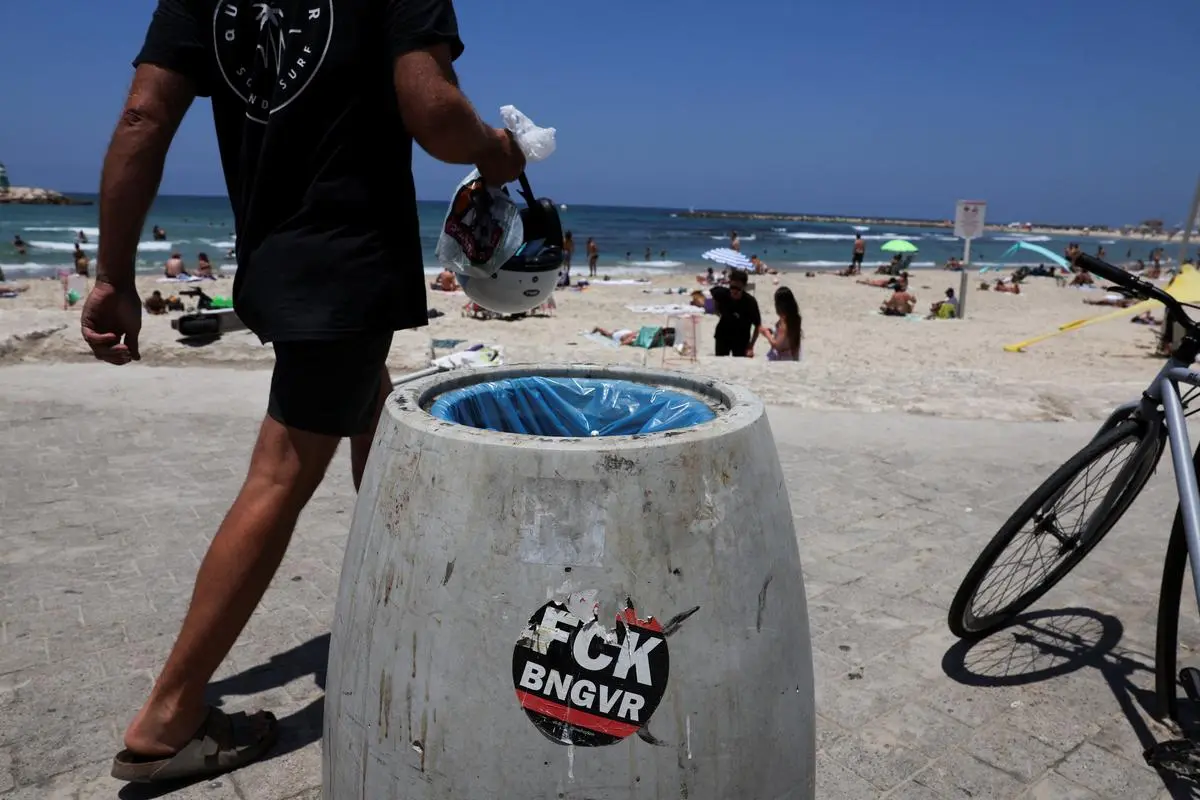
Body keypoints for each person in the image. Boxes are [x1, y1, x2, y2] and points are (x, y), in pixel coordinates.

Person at [81, 0, 526, 784]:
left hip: (275, 262)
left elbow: (142, 118)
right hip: (348, 263)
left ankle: (407, 603)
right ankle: (169, 717)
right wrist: (498, 152)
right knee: (280, 474)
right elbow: (433, 109)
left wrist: (113, 273)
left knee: (375, 419)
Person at [710, 269, 761, 356]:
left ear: (744, 287)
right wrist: (717, 310)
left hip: (741, 339)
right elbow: (714, 294)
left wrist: (751, 346)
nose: (734, 291)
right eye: (732, 287)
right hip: (723, 335)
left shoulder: (750, 302)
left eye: (738, 288)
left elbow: (757, 325)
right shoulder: (722, 293)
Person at [758, 286, 801, 361]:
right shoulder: (795, 318)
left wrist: (766, 333)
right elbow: (788, 338)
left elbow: (777, 345)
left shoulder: (784, 322)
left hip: (781, 358)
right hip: (791, 355)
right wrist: (773, 331)